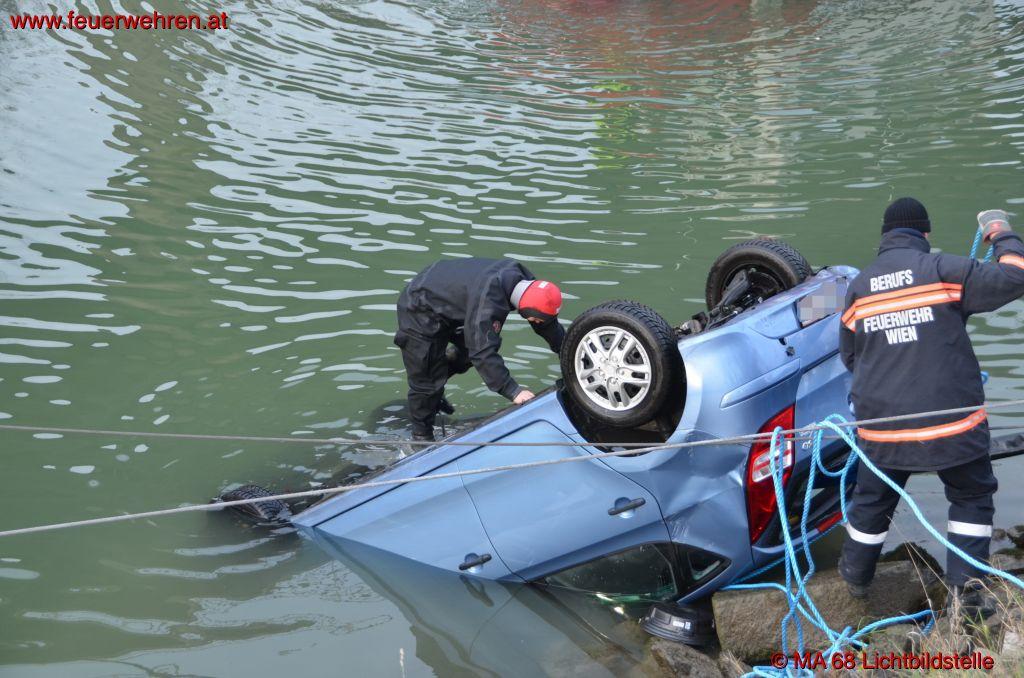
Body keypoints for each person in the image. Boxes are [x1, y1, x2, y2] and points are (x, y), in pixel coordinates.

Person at [838, 198, 1024, 610]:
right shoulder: (944, 270)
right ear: (925, 233)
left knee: (873, 499)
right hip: (951, 427)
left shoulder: (859, 287)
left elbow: (851, 357)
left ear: (884, 237)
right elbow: (1015, 275)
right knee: (971, 495)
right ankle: (967, 595)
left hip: (882, 428)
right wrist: (999, 230)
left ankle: (855, 578)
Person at [394, 258, 565, 441]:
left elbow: (547, 325)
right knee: (427, 383)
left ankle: (436, 383)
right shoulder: (489, 300)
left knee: (469, 351)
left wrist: (568, 352)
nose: (537, 323)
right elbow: (482, 352)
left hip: (451, 300)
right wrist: (513, 391)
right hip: (419, 307)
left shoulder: (528, 284)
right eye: (535, 319)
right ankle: (421, 436)